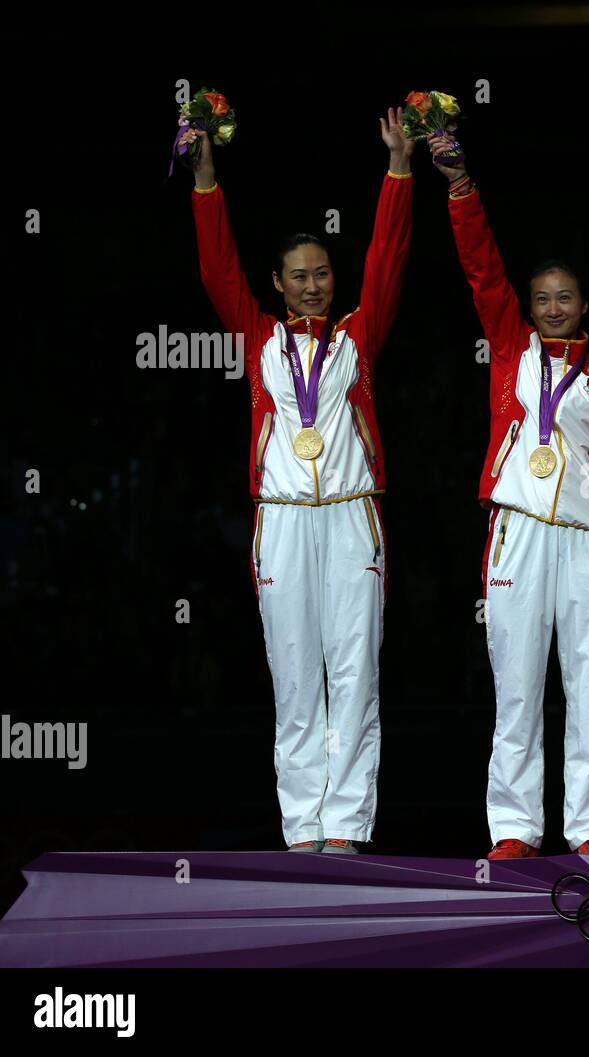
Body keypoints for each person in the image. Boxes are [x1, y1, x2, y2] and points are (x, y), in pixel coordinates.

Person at [189, 108, 416, 853]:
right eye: (300, 277)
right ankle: (301, 829)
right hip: (281, 516)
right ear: (278, 284)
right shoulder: (258, 339)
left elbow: (388, 255)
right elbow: (216, 267)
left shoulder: (358, 334)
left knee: (354, 671)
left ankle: (346, 826)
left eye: (322, 274)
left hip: (352, 517)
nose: (313, 285)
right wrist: (205, 175)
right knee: (293, 676)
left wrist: (399, 169)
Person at [424, 130, 589, 860]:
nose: (552, 308)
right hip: (517, 532)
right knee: (516, 688)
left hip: (588, 544)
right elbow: (481, 267)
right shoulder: (511, 352)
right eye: (542, 298)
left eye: (565, 298)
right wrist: (459, 183)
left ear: (585, 305)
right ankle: (515, 826)